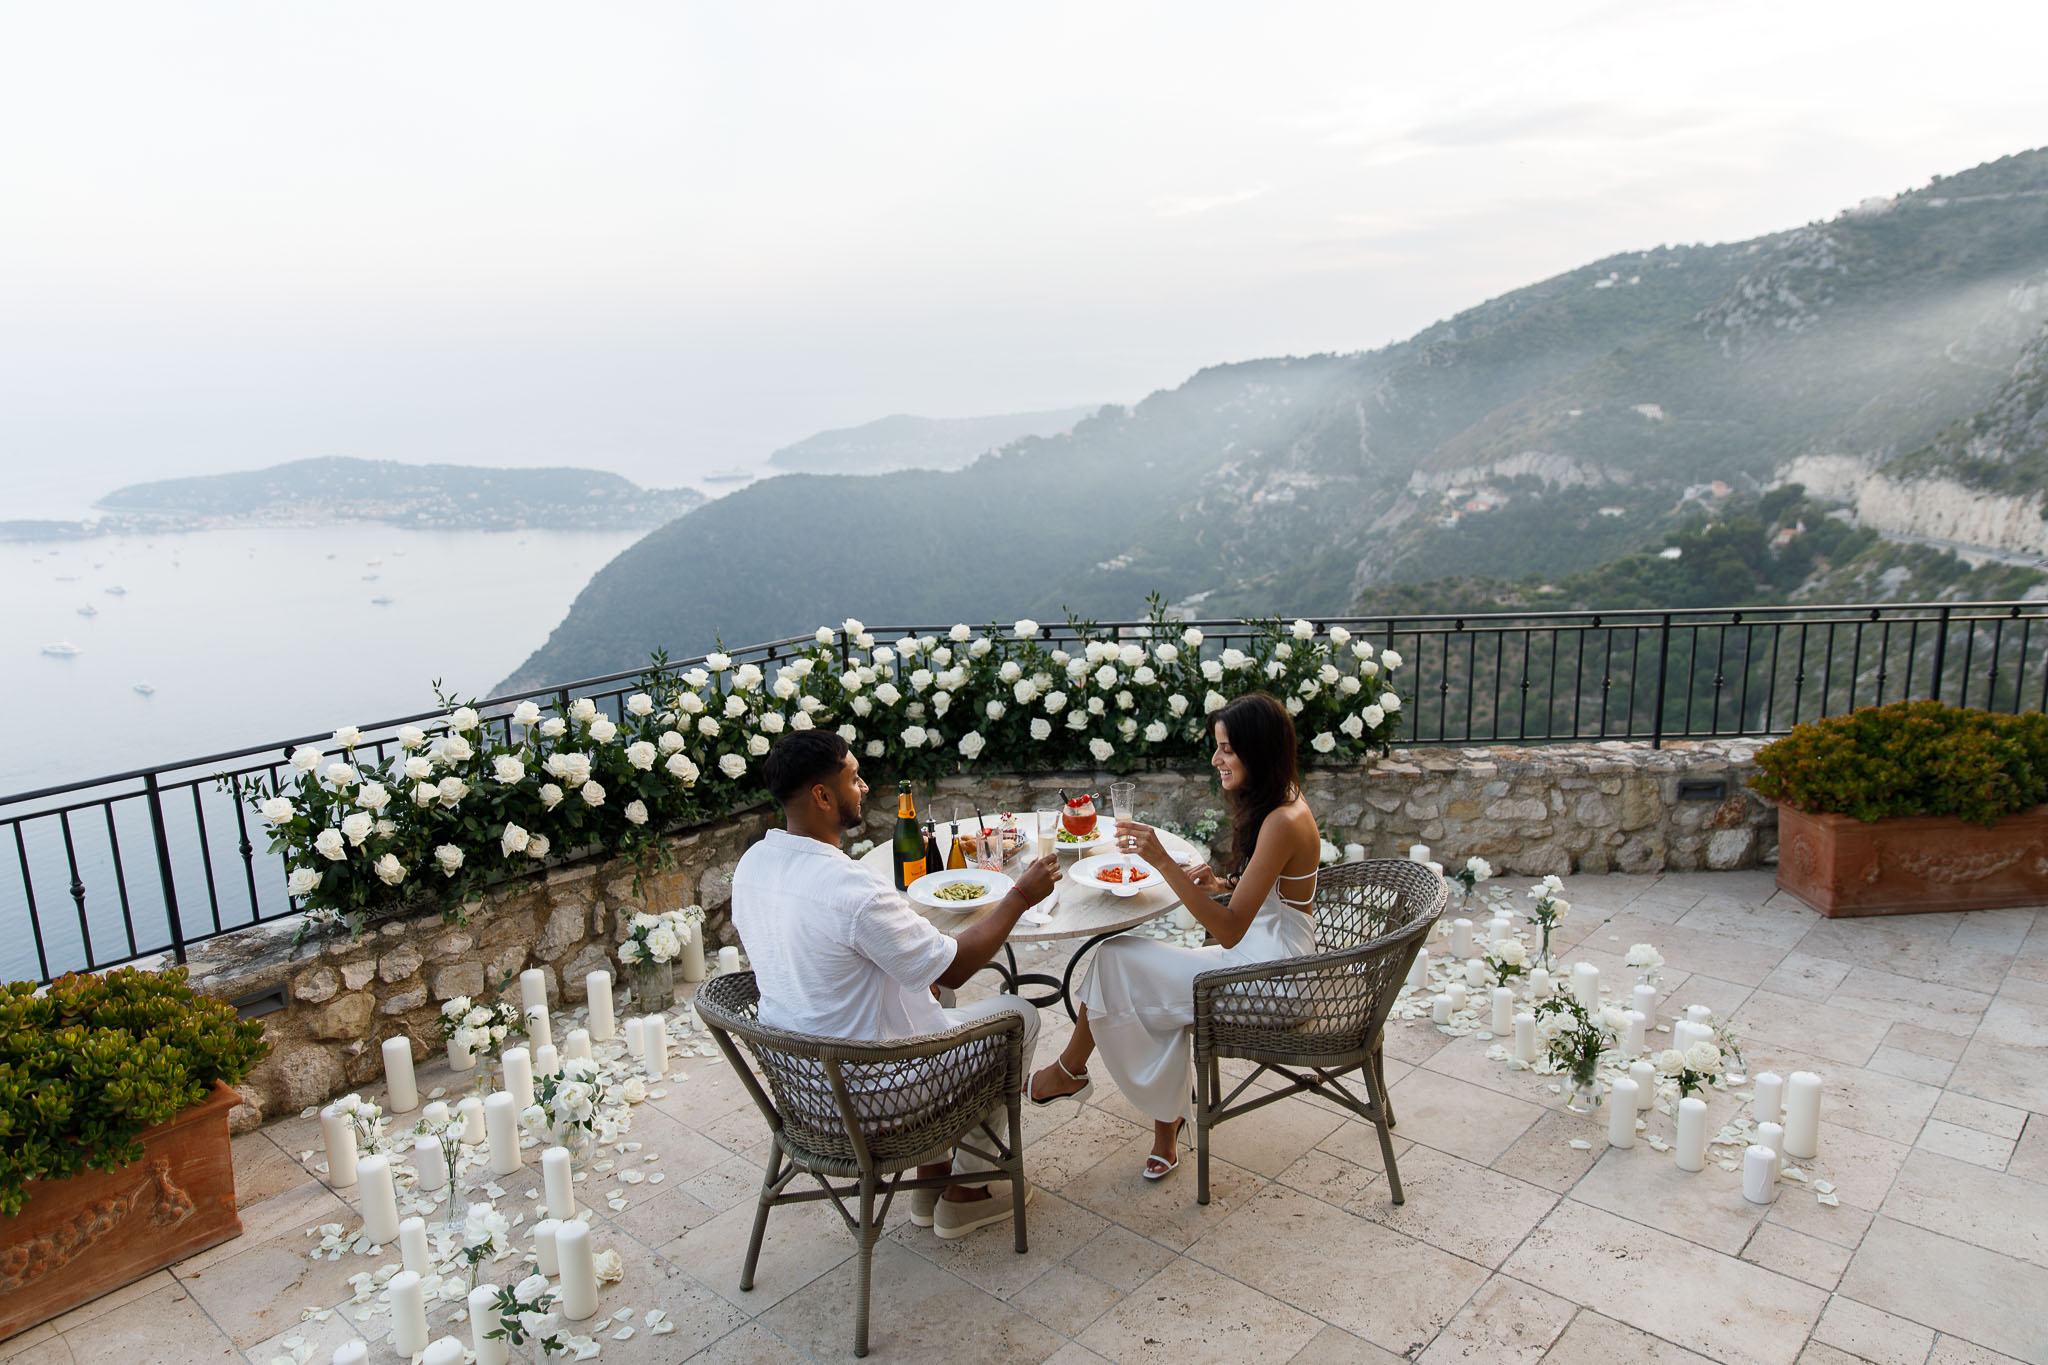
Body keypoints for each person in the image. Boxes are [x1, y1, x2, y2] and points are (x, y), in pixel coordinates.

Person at [730, 728, 1059, 1238]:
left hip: (802, 1087)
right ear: (822, 795)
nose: (863, 786)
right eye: (853, 777)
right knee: (1019, 1016)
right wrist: (1020, 895)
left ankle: (930, 1183)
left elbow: (825, 958)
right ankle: (967, 1194)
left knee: (934, 994)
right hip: (874, 1095)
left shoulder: (752, 865)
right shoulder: (851, 886)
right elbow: (954, 966)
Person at [1027, 692, 1321, 1178]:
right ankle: (1149, 1111)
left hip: (1277, 980)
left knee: (1116, 963)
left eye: (1226, 748)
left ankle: (1074, 1074)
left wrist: (1161, 859)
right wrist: (1225, 885)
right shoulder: (1282, 800)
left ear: (1258, 749)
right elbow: (1273, 900)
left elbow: (1226, 932)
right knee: (1125, 969)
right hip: (1267, 954)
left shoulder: (1283, 820)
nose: (1216, 759)